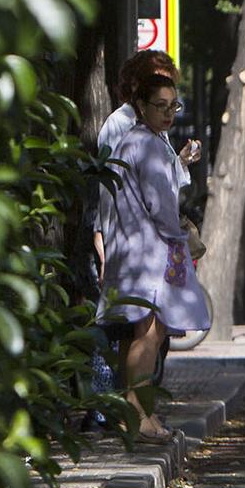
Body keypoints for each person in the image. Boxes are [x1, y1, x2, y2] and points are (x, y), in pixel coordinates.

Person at [96, 73, 210, 443]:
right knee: (149, 332)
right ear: (141, 106)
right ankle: (138, 415)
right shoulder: (147, 144)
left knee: (137, 332)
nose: (168, 113)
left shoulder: (134, 142)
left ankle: (138, 414)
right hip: (150, 252)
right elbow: (161, 205)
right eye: (160, 105)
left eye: (173, 105)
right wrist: (179, 235)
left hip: (130, 249)